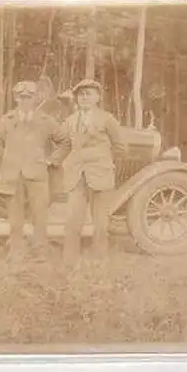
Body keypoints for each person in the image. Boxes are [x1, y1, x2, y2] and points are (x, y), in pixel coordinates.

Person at [0, 81, 71, 259]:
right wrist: (7, 160)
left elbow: (65, 142)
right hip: (12, 175)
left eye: (29, 97)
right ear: (15, 99)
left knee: (39, 216)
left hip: (37, 175)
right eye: (21, 98)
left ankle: (40, 251)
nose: (25, 101)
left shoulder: (46, 121)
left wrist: (52, 160)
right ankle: (15, 250)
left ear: (36, 99)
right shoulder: (6, 120)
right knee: (15, 218)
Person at [62, 79, 127, 265]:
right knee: (73, 220)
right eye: (80, 94)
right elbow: (64, 145)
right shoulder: (69, 121)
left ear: (97, 97)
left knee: (100, 222)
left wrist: (104, 162)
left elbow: (121, 147)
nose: (84, 97)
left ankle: (99, 259)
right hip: (76, 177)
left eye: (88, 94)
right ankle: (69, 261)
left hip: (101, 175)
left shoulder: (107, 119)